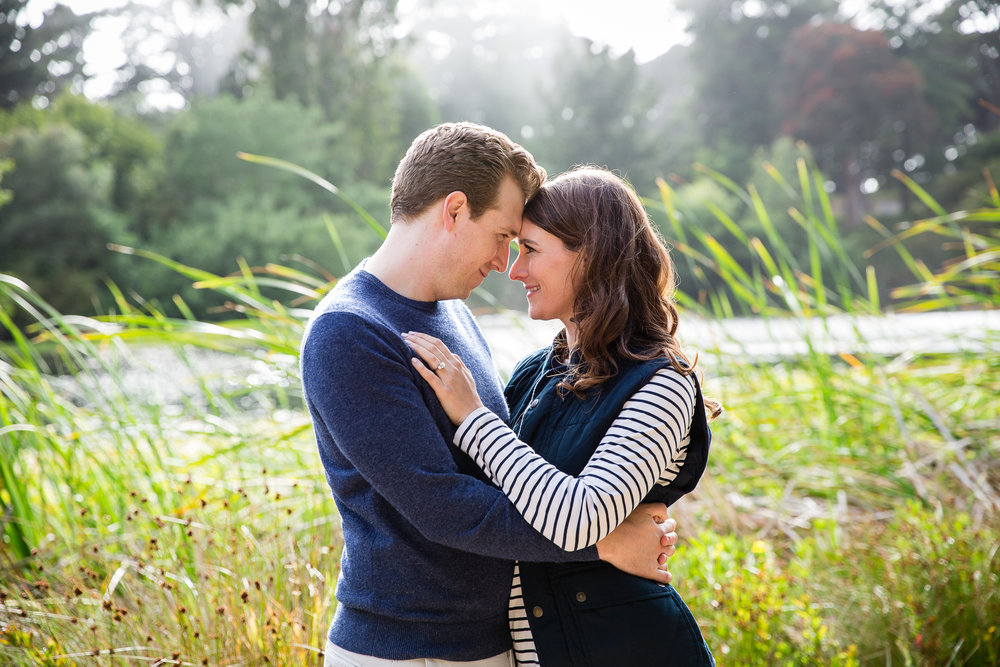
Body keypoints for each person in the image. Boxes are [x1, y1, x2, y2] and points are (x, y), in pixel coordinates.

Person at [300, 124, 680, 667]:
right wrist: (603, 541)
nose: (507, 263)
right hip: (408, 651)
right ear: (454, 211)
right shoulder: (349, 332)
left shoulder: (451, 309)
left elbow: (499, 465)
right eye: (504, 236)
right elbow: (443, 505)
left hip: (489, 641)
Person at [404, 166, 722, 666]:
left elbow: (578, 519)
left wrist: (472, 416)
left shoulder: (663, 383)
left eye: (531, 249)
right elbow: (490, 496)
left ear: (591, 255)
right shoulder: (536, 371)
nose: (514, 270)